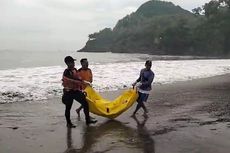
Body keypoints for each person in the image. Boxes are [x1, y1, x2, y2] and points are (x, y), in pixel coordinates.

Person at [62, 56, 97, 128]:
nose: (74, 63)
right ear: (67, 63)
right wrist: (83, 82)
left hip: (76, 91)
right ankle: (68, 123)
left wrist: (82, 85)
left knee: (85, 103)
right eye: (72, 62)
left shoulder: (75, 70)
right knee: (68, 108)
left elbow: (78, 77)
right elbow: (74, 79)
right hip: (68, 92)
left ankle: (88, 120)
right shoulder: (66, 72)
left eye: (74, 62)